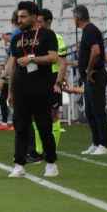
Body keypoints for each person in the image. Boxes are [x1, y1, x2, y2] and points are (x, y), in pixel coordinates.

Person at [8, 1, 59, 178]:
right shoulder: (16, 38)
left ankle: (51, 163)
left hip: (41, 88)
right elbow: (14, 66)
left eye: (23, 17)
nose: (19, 20)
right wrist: (10, 91)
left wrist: (32, 59)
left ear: (34, 17)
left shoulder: (47, 35)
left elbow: (53, 58)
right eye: (18, 17)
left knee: (44, 127)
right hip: (21, 89)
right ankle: (19, 164)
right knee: (20, 127)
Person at [74, 5, 107, 155]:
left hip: (95, 76)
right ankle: (96, 142)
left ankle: (104, 144)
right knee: (90, 112)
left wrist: (89, 69)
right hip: (90, 78)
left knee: (98, 110)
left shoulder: (89, 30)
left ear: (78, 17)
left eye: (74, 17)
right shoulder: (88, 30)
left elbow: (96, 52)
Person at [33, 9, 67, 158]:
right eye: (37, 21)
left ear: (48, 22)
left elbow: (62, 63)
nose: (38, 24)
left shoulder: (58, 38)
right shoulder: (34, 38)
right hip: (38, 78)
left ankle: (52, 150)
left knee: (53, 115)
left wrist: (59, 81)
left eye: (40, 21)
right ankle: (39, 150)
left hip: (53, 79)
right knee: (36, 114)